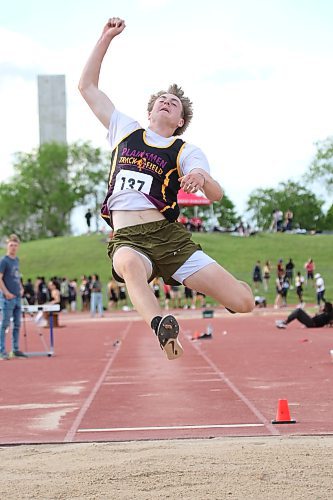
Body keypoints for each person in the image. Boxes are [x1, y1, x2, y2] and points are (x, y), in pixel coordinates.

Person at [78, 17, 254, 360]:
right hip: (129, 237)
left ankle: (235, 294)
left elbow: (215, 194)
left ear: (180, 120)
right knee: (127, 263)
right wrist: (105, 38)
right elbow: (86, 86)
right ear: (149, 110)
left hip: (168, 238)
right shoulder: (124, 130)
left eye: (173, 103)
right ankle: (161, 325)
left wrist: (201, 179)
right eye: (160, 99)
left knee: (244, 302)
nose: (166, 102)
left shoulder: (185, 150)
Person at [0, 234, 27, 359]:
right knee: (5, 324)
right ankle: (1, 350)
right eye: (11, 245)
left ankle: (15, 349)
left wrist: (21, 288)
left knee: (17, 324)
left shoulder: (16, 260)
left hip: (17, 296)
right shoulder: (4, 261)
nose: (13, 248)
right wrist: (6, 292)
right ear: (7, 246)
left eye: (15, 245)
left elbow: (16, 276)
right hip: (7, 297)